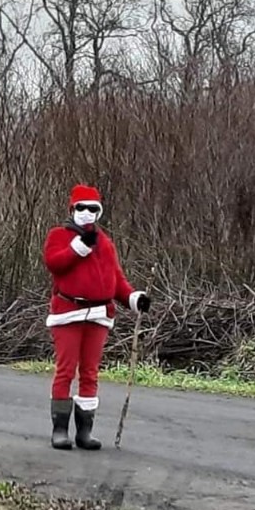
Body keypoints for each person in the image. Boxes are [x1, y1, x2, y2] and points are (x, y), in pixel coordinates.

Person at [42, 183, 151, 450]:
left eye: (93, 209)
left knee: (90, 373)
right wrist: (79, 248)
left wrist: (134, 299)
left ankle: (84, 432)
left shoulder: (106, 244)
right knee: (66, 370)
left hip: (99, 315)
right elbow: (54, 263)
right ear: (72, 209)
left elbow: (116, 282)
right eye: (82, 207)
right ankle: (60, 430)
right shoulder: (59, 235)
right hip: (68, 313)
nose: (88, 212)